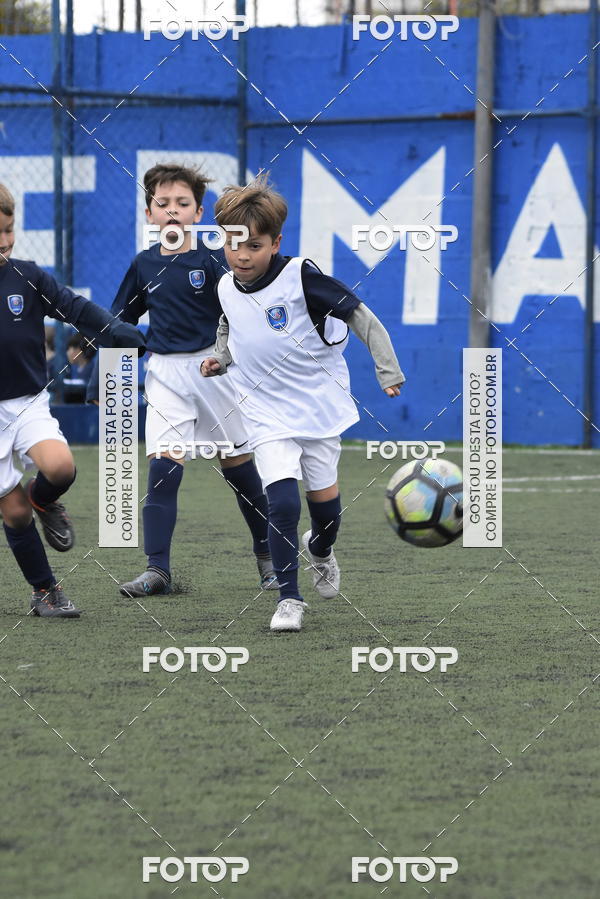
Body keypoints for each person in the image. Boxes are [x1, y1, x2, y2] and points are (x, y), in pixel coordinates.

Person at [202, 175, 405, 633]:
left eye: (253, 246)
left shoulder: (302, 279)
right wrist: (221, 358)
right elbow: (229, 326)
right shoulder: (226, 286)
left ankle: (321, 550)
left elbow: (360, 315)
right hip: (264, 412)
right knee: (282, 503)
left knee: (326, 513)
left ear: (275, 243)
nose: (241, 256)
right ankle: (289, 599)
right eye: (233, 245)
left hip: (318, 410)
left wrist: (387, 370)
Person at [88, 163, 276, 598]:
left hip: (216, 374)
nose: (172, 210)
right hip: (166, 375)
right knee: (162, 471)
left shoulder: (213, 261)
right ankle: (157, 570)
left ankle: (268, 559)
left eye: (182, 203)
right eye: (162, 203)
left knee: (240, 472)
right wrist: (103, 378)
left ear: (199, 212)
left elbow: (242, 313)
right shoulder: (143, 265)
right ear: (149, 213)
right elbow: (118, 324)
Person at [0, 182, 145, 618]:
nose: (5, 242)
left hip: (25, 402)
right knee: (14, 511)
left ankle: (44, 498)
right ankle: (45, 590)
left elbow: (74, 307)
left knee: (61, 468)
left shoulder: (26, 275)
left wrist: (119, 334)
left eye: (9, 230)